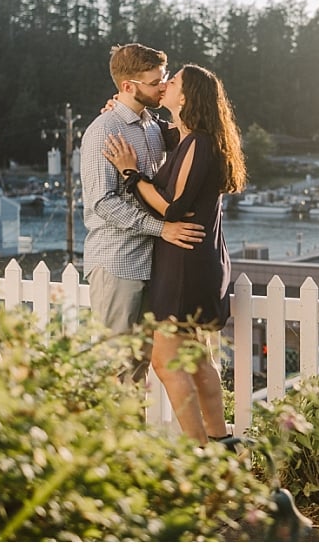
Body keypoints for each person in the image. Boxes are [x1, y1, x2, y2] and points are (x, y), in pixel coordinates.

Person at [102, 64, 248, 444]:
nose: (165, 85)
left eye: (174, 81)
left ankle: (200, 451)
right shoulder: (187, 137)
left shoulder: (199, 142)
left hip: (185, 262)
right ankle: (219, 442)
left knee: (165, 361)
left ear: (185, 97)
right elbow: (154, 131)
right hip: (194, 257)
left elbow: (171, 207)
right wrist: (118, 110)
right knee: (196, 357)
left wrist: (130, 173)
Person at [80, 43, 206, 345]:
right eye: (154, 82)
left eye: (164, 79)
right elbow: (103, 202)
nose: (163, 87)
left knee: (138, 366)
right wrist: (163, 229)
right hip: (117, 262)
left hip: (153, 263)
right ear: (127, 86)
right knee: (114, 365)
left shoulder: (153, 126)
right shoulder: (104, 130)